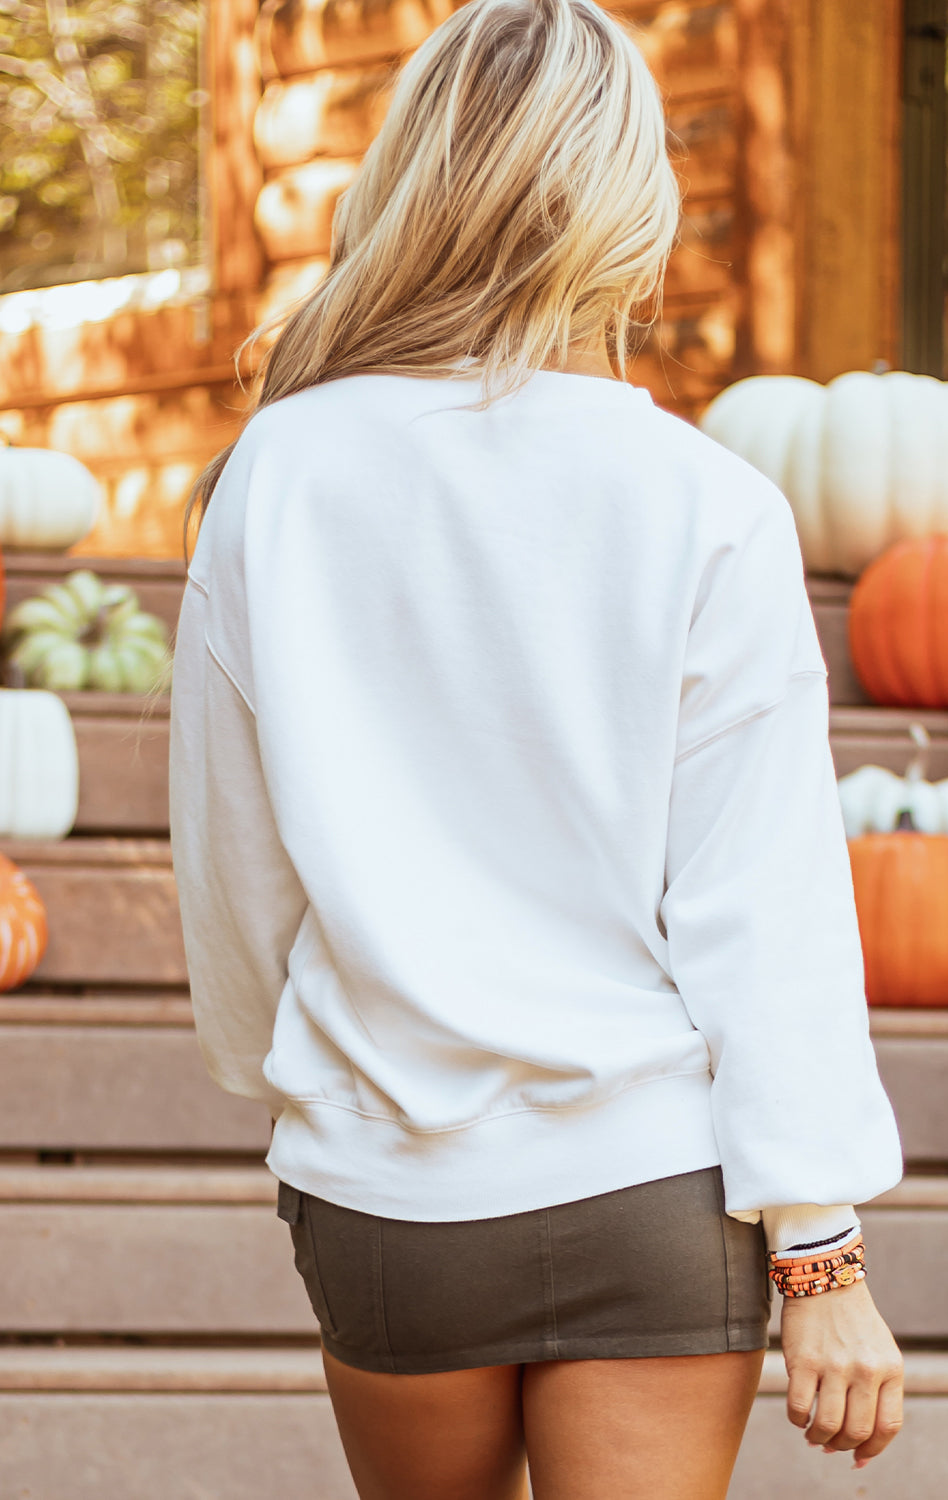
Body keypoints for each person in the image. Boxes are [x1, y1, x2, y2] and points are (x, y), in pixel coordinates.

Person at [168, 1, 906, 1495]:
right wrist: (819, 1252)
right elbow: (760, 904)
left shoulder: (279, 471)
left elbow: (236, 862)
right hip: (652, 1182)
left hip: (384, 1194)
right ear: (633, 212)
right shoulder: (708, 502)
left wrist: (297, 1076)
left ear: (410, 183)